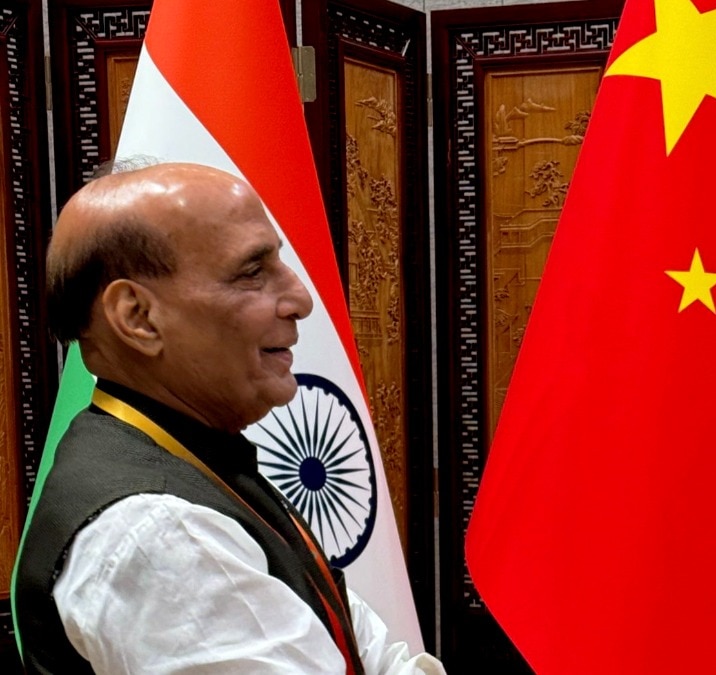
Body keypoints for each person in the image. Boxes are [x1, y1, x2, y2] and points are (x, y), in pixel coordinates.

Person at [14, 163, 446, 675]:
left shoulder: (197, 459)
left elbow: (369, 653)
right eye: (251, 272)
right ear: (137, 317)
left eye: (280, 263)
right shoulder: (156, 531)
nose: (301, 300)